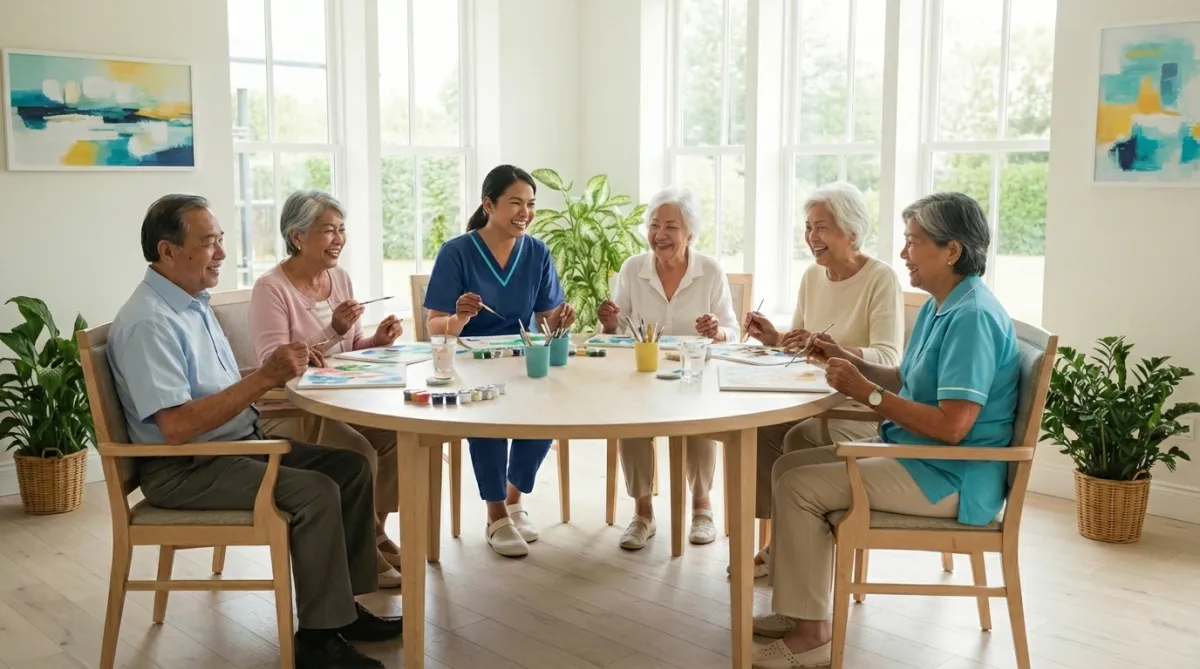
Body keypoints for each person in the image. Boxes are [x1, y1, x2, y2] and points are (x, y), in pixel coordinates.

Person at [108, 194, 401, 669]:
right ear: (168, 251)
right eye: (209, 243)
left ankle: (342, 612)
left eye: (221, 239)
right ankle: (318, 640)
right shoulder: (150, 322)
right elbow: (177, 427)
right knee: (315, 490)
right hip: (186, 468)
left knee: (348, 466)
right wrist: (264, 378)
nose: (221, 252)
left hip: (233, 447)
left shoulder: (190, 304)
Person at [750, 192, 1020, 669]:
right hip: (921, 457)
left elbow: (954, 427)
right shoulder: (945, 305)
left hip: (951, 476)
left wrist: (867, 394)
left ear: (951, 250)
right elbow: (906, 379)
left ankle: (814, 635)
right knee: (791, 460)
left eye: (913, 242)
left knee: (797, 485)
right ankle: (801, 610)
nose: (902, 254)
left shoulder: (971, 317)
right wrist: (844, 358)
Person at [742, 181, 904, 577]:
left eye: (821, 227)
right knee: (760, 428)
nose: (811, 237)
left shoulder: (880, 279)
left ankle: (793, 548)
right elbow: (804, 346)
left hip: (858, 406)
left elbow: (889, 357)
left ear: (851, 232)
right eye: (808, 227)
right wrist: (776, 338)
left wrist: (837, 350)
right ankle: (784, 539)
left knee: (798, 437)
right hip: (813, 396)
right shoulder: (812, 277)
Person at [249, 189, 405, 589]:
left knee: (398, 438)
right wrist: (331, 328)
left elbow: (349, 349)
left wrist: (378, 342)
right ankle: (364, 549)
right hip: (292, 411)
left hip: (339, 400)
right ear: (297, 236)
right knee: (359, 450)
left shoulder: (340, 278)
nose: (339, 239)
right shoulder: (272, 288)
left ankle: (374, 532)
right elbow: (276, 365)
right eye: (328, 231)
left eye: (342, 230)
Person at [423, 165, 576, 558]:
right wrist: (459, 317)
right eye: (515, 204)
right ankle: (495, 515)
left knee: (546, 414)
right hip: (471, 366)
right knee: (485, 418)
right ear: (488, 205)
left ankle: (512, 499)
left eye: (530, 204)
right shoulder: (456, 252)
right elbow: (434, 327)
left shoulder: (537, 252)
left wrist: (559, 320)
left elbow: (544, 320)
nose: (524, 212)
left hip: (522, 361)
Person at [596, 186, 739, 550]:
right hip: (644, 375)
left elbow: (733, 332)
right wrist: (610, 324)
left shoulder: (709, 270)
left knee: (701, 418)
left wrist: (717, 331)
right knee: (630, 421)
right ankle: (642, 512)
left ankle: (702, 507)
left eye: (671, 226)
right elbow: (614, 333)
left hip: (693, 374)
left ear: (690, 232)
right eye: (654, 225)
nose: (660, 234)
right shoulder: (633, 269)